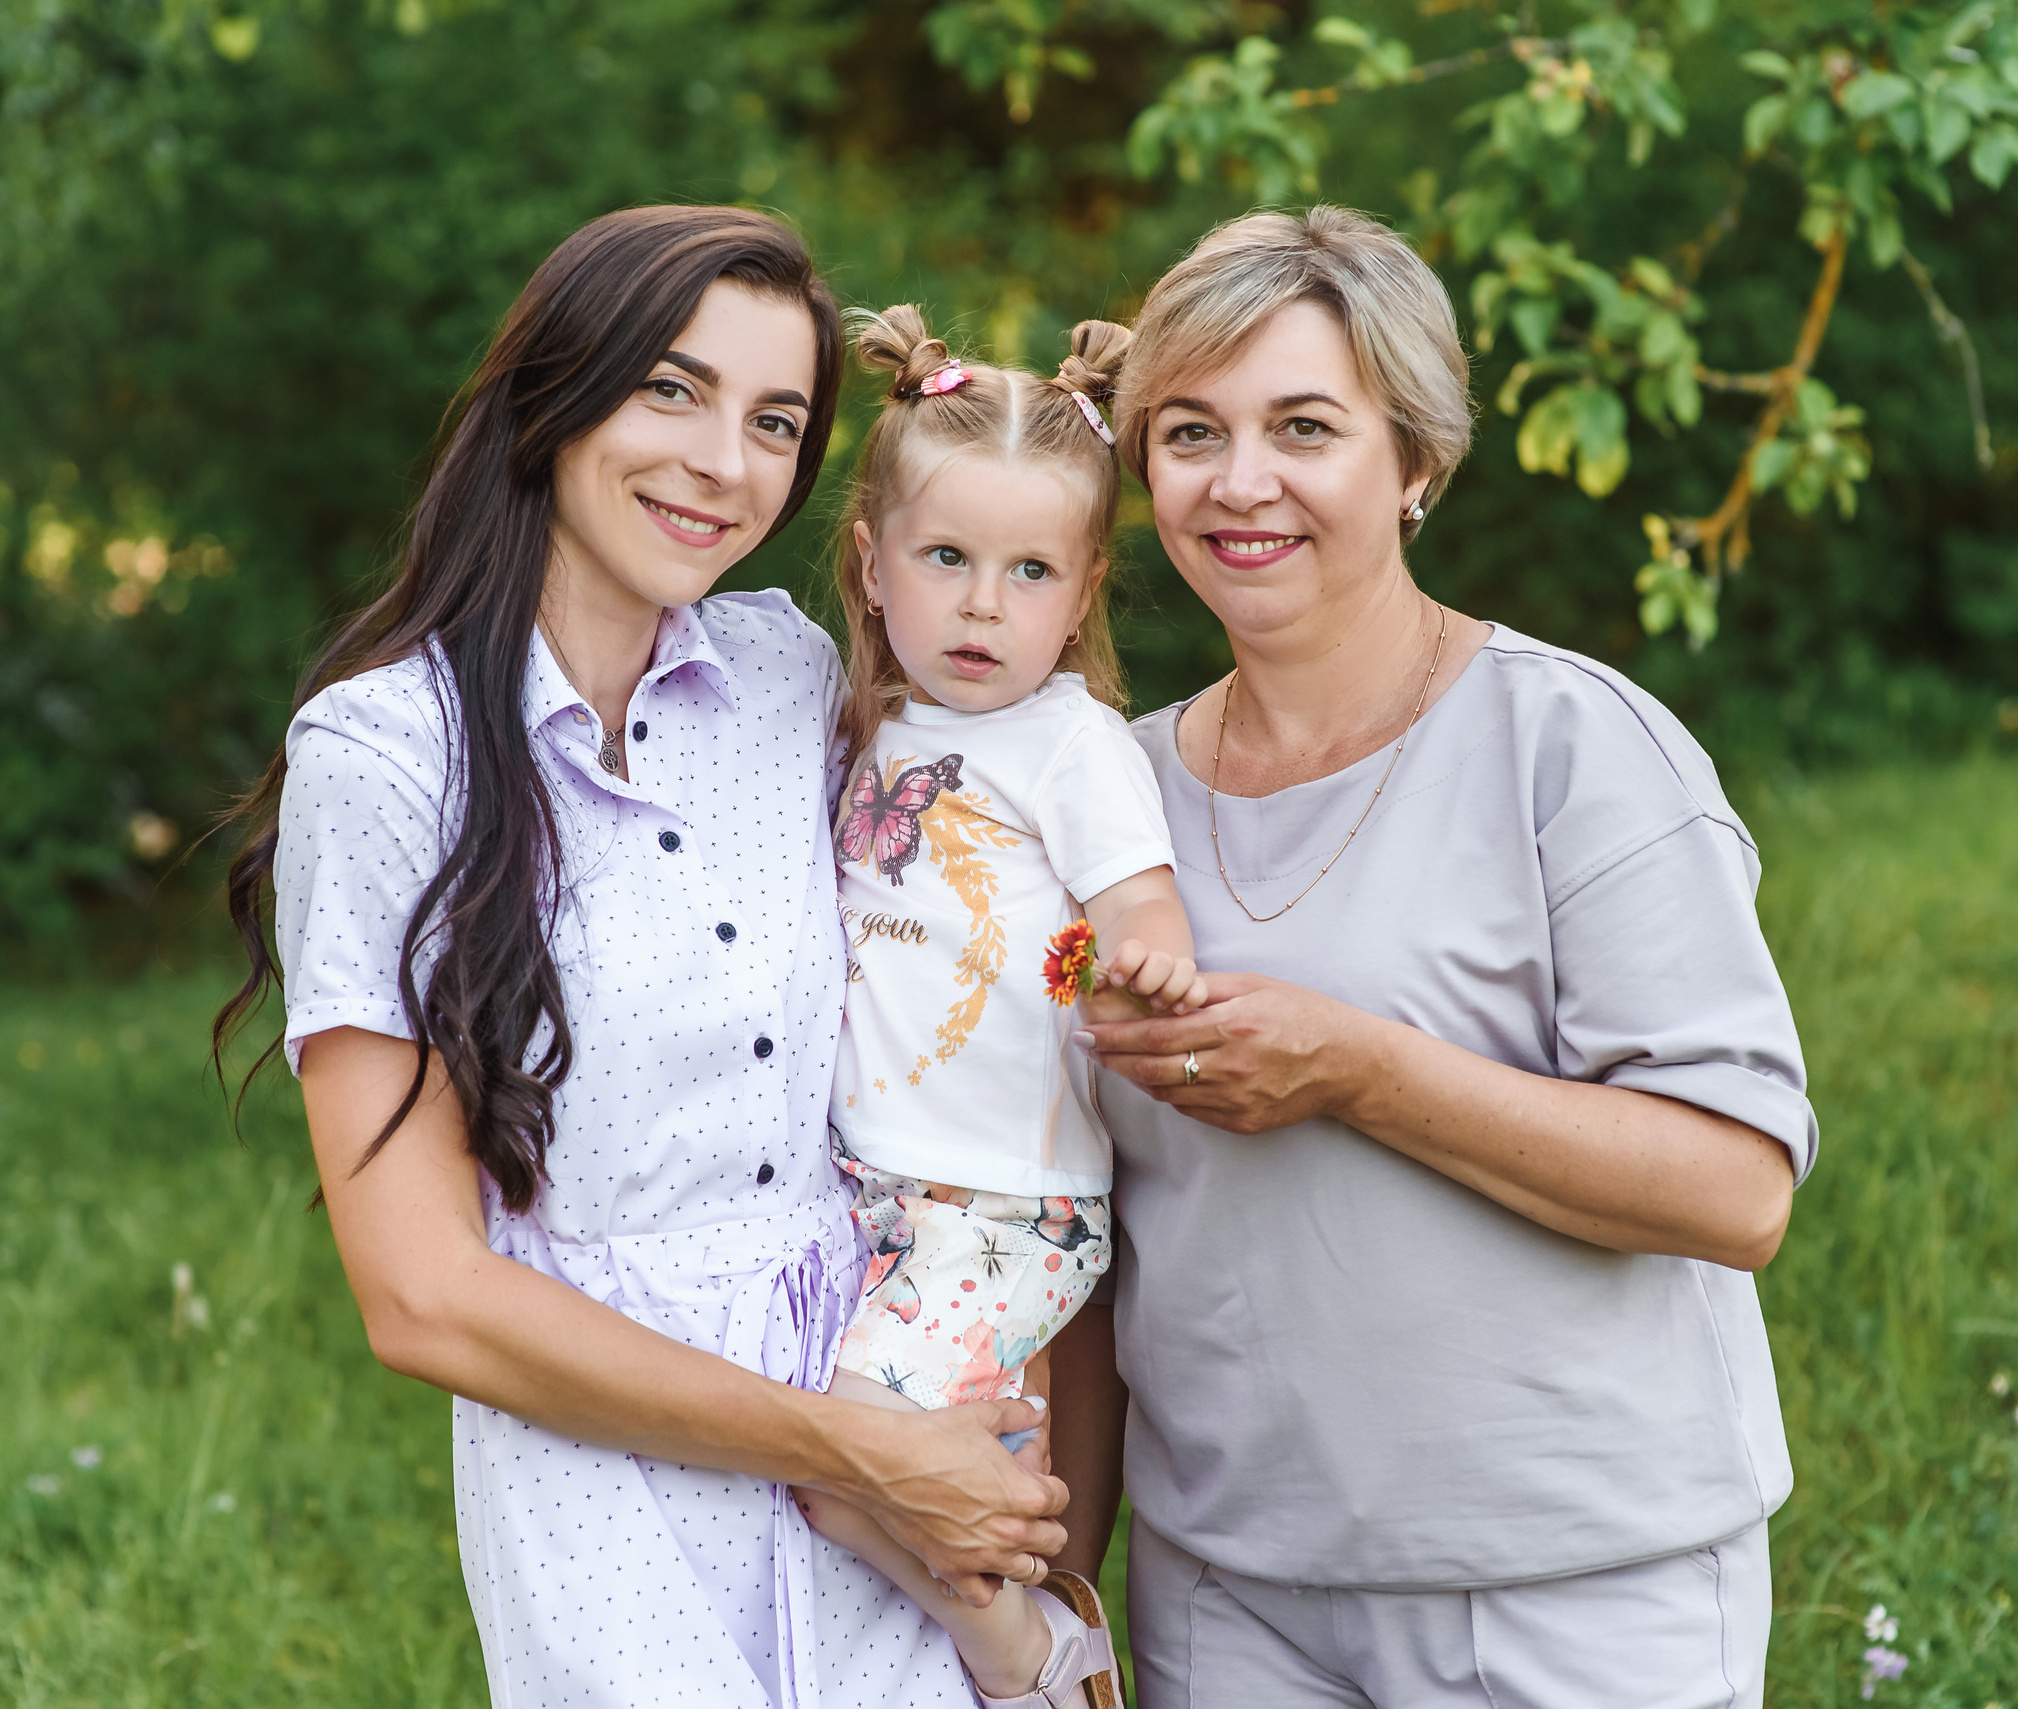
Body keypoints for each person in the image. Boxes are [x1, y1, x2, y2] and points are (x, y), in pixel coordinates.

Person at [213, 206, 1067, 1709]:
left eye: (776, 420)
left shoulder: (791, 676)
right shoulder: (387, 754)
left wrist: (962, 1383)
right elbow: (422, 1294)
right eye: (671, 389)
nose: (723, 462)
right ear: (556, 390)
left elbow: (969, 952)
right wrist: (847, 1449)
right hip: (609, 1476)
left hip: (880, 1430)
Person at [1074, 205, 1816, 1707]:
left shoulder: (1569, 746)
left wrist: (1357, 1069)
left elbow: (1738, 1190)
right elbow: (1073, 1233)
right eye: (1190, 432)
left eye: (1304, 427)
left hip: (1571, 1593)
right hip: (1232, 1600)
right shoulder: (1103, 797)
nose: (1241, 483)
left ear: (1414, 463)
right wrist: (1054, 1588)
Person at [791, 305, 1201, 1709]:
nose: (982, 605)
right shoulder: (862, 727)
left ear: (1081, 593)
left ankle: (1037, 1655)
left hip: (1011, 1201)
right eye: (948, 557)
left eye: (1028, 572)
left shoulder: (1070, 742)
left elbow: (1137, 908)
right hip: (865, 1187)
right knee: (856, 1459)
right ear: (872, 559)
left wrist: (1133, 961)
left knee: (849, 1466)